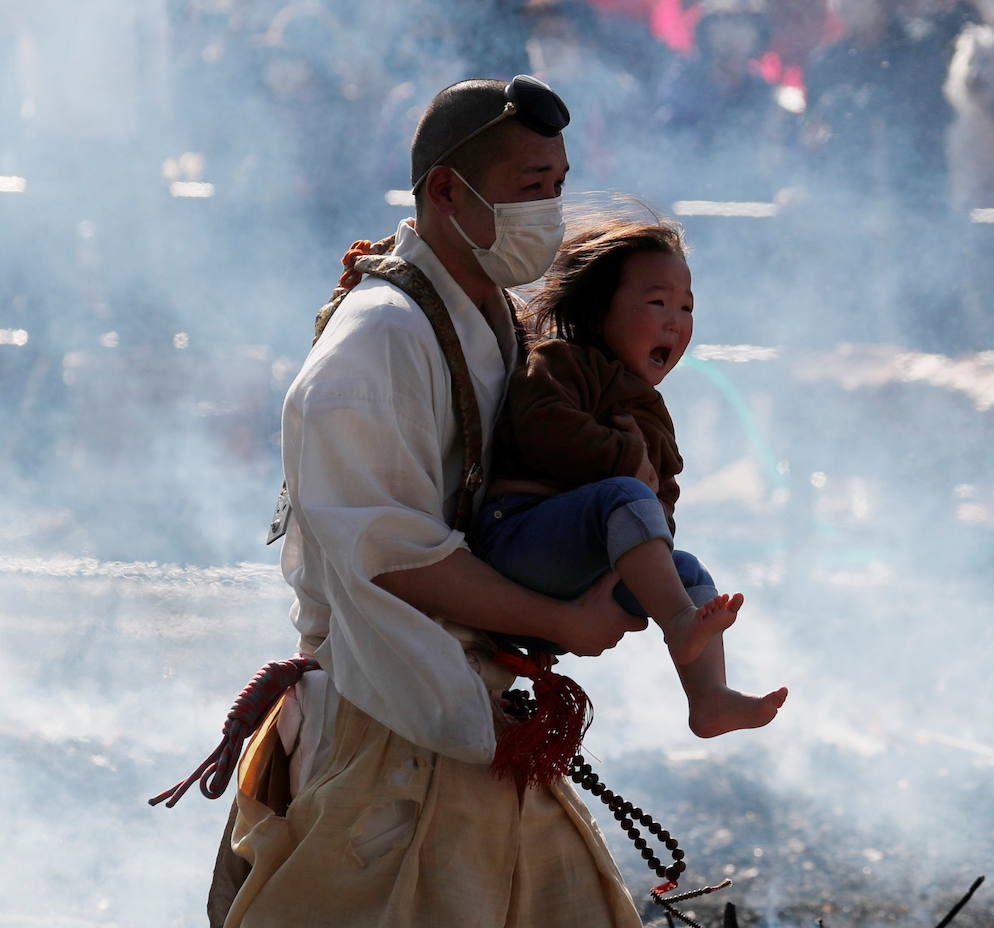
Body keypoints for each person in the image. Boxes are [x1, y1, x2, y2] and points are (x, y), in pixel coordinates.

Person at [217, 76, 647, 928]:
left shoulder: (488, 317)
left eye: (559, 187)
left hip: (464, 708)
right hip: (390, 727)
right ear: (447, 190)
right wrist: (560, 622)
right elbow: (397, 558)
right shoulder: (377, 341)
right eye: (532, 189)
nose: (549, 213)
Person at [473, 217, 789, 739]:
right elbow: (542, 429)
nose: (675, 321)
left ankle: (708, 697)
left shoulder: (651, 409)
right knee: (624, 494)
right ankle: (680, 626)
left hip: (587, 565)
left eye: (686, 308)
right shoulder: (561, 362)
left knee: (687, 570)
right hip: (518, 537)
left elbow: (661, 498)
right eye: (658, 303)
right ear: (599, 311)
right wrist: (626, 462)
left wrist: (650, 512)